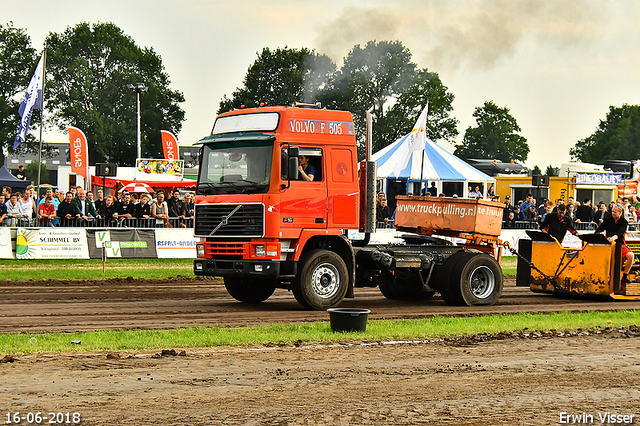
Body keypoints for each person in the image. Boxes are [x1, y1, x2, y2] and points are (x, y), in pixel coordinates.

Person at [595, 204, 634, 283]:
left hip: (619, 244)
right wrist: (595, 236)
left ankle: (625, 276)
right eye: (612, 211)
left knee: (631, 256)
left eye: (615, 212)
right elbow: (599, 229)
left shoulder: (624, 222)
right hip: (608, 244)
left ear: (620, 212)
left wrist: (614, 237)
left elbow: (621, 232)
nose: (613, 213)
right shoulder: (608, 220)